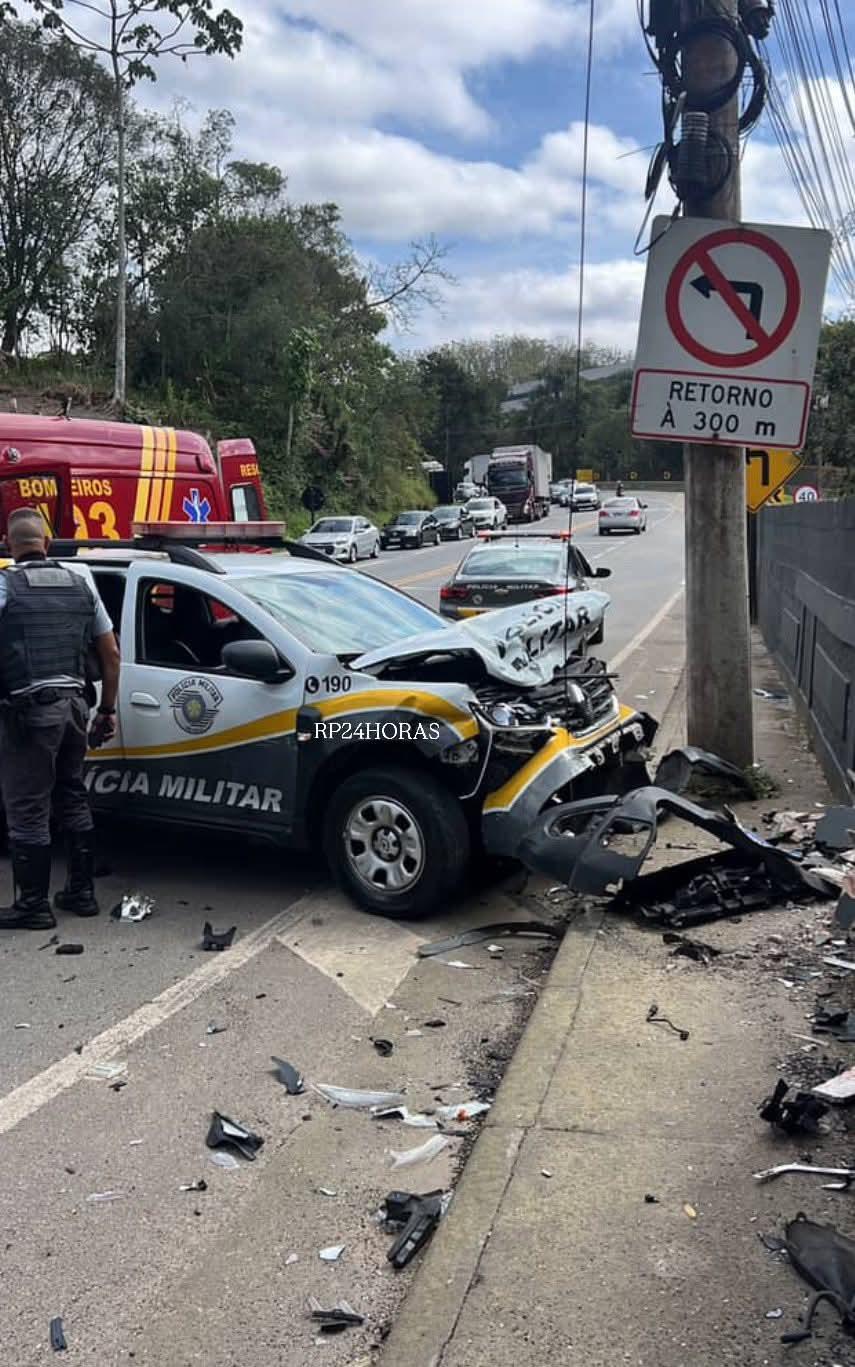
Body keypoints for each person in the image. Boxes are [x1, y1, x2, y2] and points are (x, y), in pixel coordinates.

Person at [0, 508, 120, 930]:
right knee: (71, 792)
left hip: (29, 714)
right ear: (47, 544)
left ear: (8, 546)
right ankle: (81, 893)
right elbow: (111, 653)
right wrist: (107, 710)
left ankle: (33, 906)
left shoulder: (3, 586)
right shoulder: (81, 583)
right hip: (75, 707)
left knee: (27, 806)